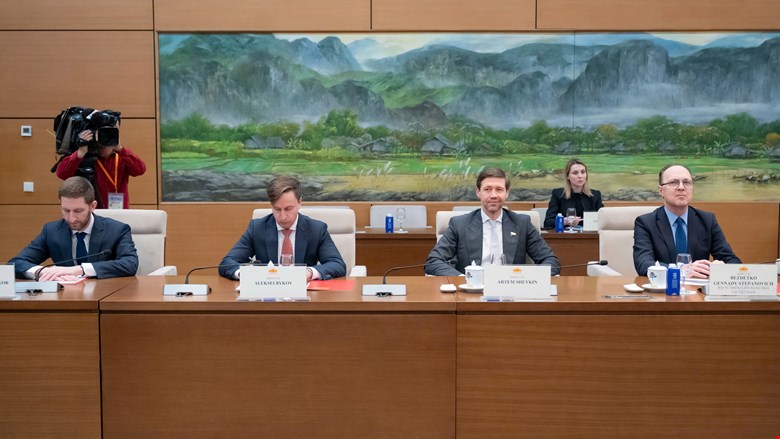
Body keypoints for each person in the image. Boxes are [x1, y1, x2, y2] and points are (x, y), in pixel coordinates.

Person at [425, 168, 560, 276]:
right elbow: (433, 262)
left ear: (507, 193)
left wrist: (526, 278)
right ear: (478, 192)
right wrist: (464, 279)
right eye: (487, 189)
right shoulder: (460, 224)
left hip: (511, 291)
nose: (493, 195)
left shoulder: (522, 223)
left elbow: (551, 261)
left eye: (499, 189)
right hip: (472, 291)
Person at [9, 176, 139, 280]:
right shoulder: (51, 231)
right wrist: (42, 272)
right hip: (65, 297)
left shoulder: (117, 230)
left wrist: (80, 269)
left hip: (104, 294)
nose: (71, 218)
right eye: (66, 210)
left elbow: (130, 264)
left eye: (78, 211)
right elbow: (15, 263)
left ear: (92, 206)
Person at [219, 175, 346, 281]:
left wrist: (309, 272)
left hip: (304, 294)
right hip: (267, 294)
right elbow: (228, 262)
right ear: (271, 205)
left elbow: (337, 265)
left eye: (288, 209)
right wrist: (245, 274)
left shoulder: (316, 229)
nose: (283, 216)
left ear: (300, 202)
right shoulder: (257, 228)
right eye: (277, 209)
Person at [633, 164, 741, 277]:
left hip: (697, 286)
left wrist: (722, 267)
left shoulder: (707, 220)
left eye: (686, 182)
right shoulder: (646, 223)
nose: (681, 187)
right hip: (663, 286)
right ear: (661, 190)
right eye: (673, 182)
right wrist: (680, 270)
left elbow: (733, 261)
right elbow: (643, 264)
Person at [55, 117, 146, 209]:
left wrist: (120, 149)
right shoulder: (86, 157)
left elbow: (140, 170)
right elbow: (62, 174)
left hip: (119, 213)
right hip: (94, 213)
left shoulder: (123, 157)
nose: (107, 135)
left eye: (112, 131)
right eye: (103, 132)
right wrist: (80, 152)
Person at [543, 158, 603, 229]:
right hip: (566, 234)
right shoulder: (558, 194)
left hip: (589, 234)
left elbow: (604, 220)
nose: (580, 176)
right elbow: (548, 222)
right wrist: (564, 221)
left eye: (583, 172)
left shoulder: (595, 195)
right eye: (575, 173)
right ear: (568, 176)